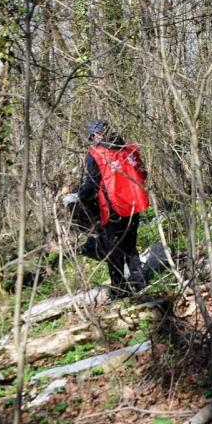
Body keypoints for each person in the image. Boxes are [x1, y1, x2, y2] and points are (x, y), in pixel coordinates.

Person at [64, 120, 149, 296]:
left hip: (112, 208)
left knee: (113, 249)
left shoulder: (96, 155)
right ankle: (140, 284)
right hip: (134, 204)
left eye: (91, 137)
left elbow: (90, 186)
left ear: (96, 135)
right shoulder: (130, 149)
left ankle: (119, 290)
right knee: (130, 246)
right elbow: (143, 173)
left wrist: (75, 197)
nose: (92, 141)